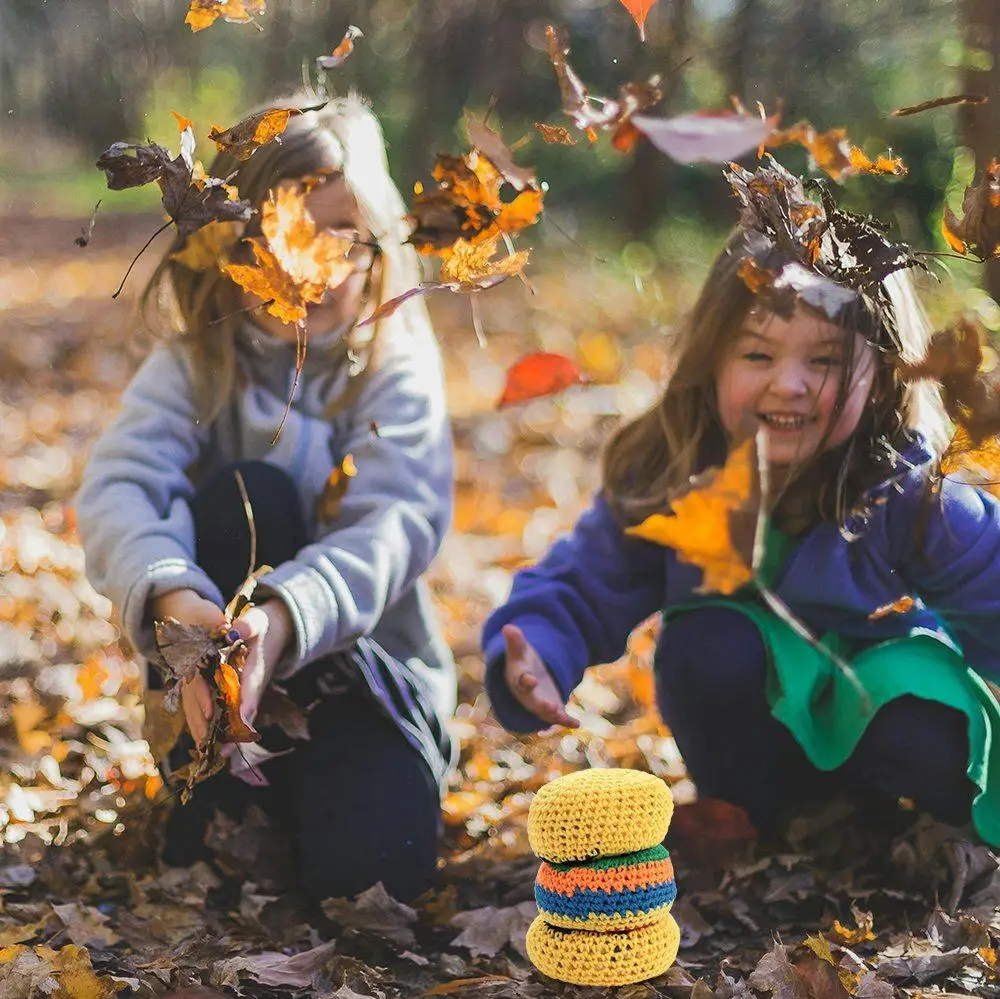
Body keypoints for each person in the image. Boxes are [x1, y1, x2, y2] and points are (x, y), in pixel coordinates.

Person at [481, 167, 1000, 847]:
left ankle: (899, 825)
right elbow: (584, 580)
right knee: (708, 642)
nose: (788, 385)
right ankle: (758, 818)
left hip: (879, 712)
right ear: (713, 359)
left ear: (881, 376)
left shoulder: (908, 494)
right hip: (750, 728)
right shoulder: (675, 470)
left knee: (926, 719)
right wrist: (539, 653)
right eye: (758, 354)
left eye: (824, 362)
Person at [76, 92, 457, 903]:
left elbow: (396, 521)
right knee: (248, 493)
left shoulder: (393, 365)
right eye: (279, 235)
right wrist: (177, 598)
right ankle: (218, 787)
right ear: (226, 245)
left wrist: (282, 620)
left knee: (375, 882)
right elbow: (120, 485)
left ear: (376, 245)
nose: (309, 268)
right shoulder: (196, 365)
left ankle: (335, 799)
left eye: (338, 238)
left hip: (363, 687)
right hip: (213, 694)